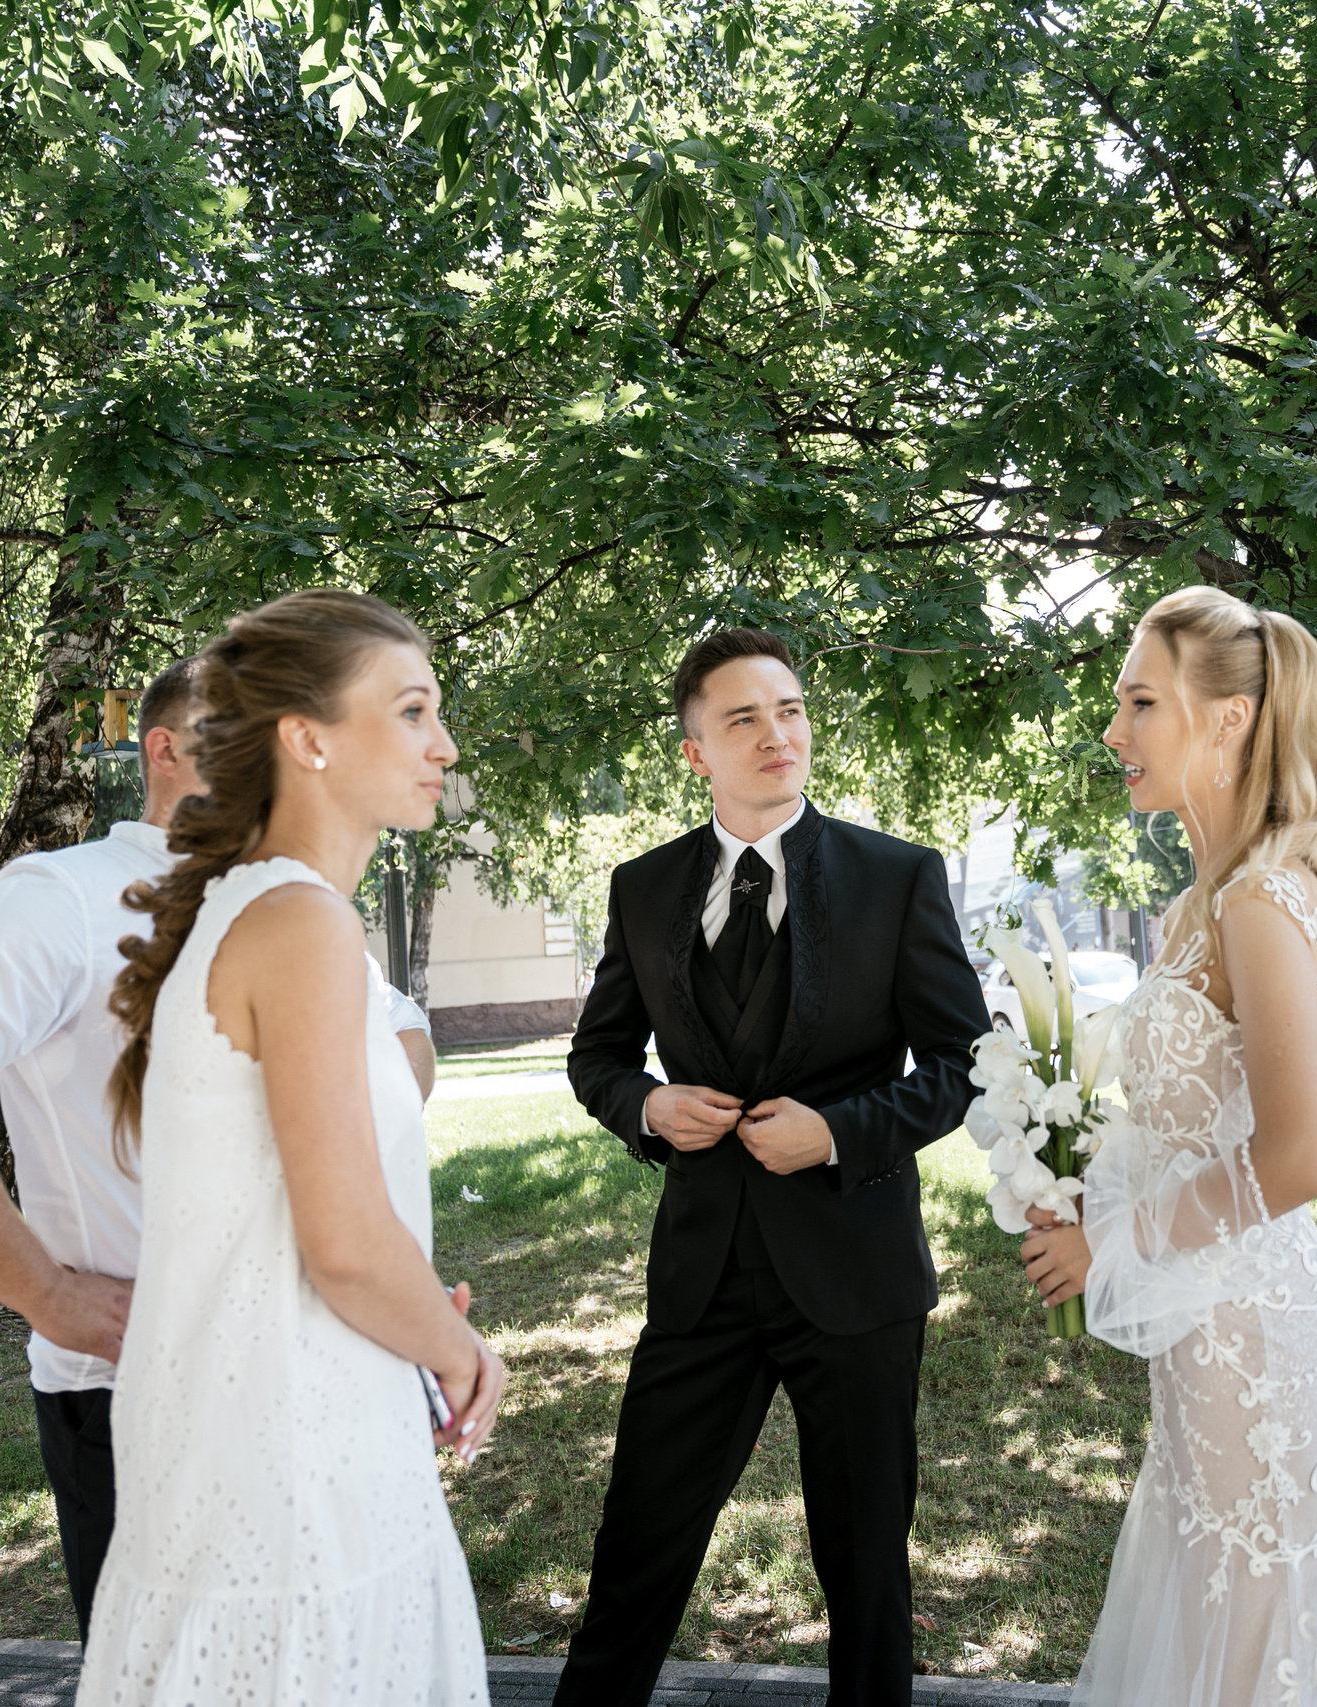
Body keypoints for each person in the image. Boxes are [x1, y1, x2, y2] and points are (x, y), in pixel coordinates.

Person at [0, 658, 434, 1638]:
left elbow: (405, 1034)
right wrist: (49, 1295)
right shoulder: (66, 898)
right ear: (167, 750)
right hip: (156, 1398)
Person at [78, 588, 500, 1706]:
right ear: (305, 739)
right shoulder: (298, 922)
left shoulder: (275, 914)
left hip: (289, 1424)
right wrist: (465, 1359)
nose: (443, 746)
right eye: (411, 711)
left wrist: (415, 1309)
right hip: (291, 1458)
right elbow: (346, 1246)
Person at [560, 628, 993, 1707]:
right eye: (743, 719)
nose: (777, 734)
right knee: (638, 1549)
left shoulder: (896, 878)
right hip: (703, 1274)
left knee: (864, 1572)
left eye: (790, 710)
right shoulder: (644, 886)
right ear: (695, 749)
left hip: (854, 1271)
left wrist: (840, 1130)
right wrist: (649, 1107)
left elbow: (960, 1065)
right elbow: (596, 1058)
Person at [1016, 587, 1317, 1705]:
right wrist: (1076, 1184)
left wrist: (1118, 1242)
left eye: (1140, 702)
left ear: (1227, 720)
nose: (1114, 732)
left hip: (1259, 1345)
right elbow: (1194, 1125)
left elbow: (1298, 1162)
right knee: (1205, 1625)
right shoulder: (1199, 905)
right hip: (1205, 1336)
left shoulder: (1259, 899)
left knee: (1251, 1649)